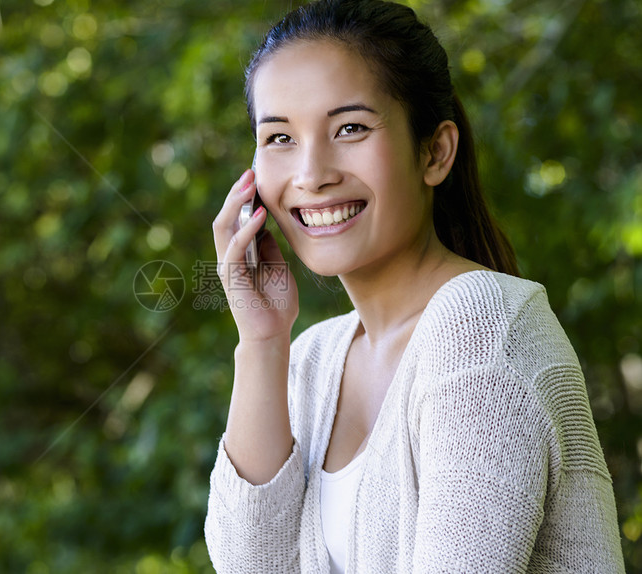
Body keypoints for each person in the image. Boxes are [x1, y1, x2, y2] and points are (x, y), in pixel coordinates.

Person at [204, 0, 626, 572]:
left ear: (434, 151)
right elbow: (248, 566)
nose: (311, 175)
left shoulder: (481, 327)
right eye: (279, 138)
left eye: (349, 128)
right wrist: (261, 343)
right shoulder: (313, 359)